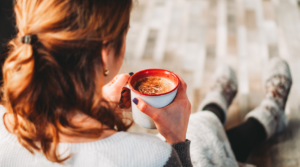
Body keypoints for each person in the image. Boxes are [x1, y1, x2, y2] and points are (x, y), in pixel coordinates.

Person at [0, 1, 293, 167]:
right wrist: (177, 141)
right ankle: (258, 118)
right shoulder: (152, 158)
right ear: (106, 51)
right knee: (199, 134)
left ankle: (235, 111)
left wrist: (97, 108)